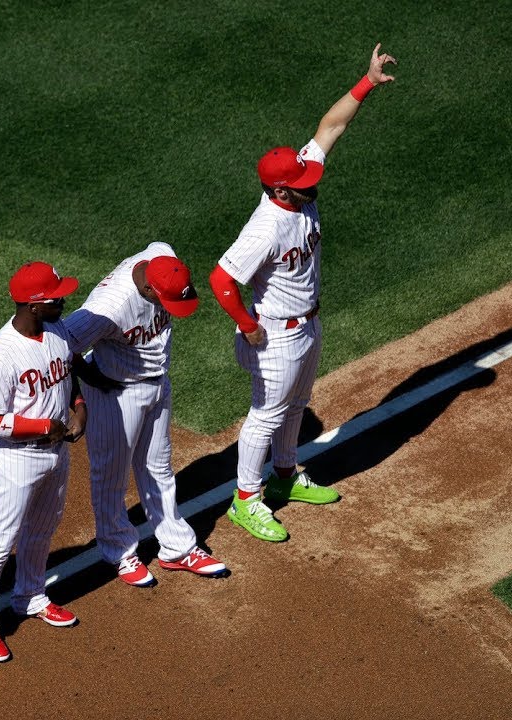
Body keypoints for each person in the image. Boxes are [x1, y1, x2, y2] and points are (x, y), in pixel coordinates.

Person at [209, 43, 398, 542]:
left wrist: (366, 81)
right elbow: (221, 279)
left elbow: (329, 127)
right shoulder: (266, 227)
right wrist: (248, 327)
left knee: (296, 406)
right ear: (280, 190)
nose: (313, 184)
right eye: (302, 184)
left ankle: (286, 476)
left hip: (308, 322)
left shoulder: (296, 180)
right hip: (273, 333)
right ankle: (245, 500)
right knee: (266, 413)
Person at [65, 242, 229, 588]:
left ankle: (177, 548)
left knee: (159, 467)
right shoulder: (108, 308)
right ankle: (118, 551)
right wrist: (87, 383)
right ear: (146, 288)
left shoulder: (161, 255)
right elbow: (58, 346)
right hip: (115, 393)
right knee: (111, 475)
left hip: (157, 384)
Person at [0, 261, 88, 663]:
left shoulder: (55, 330)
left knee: (42, 529)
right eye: (56, 296)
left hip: (56, 454)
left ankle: (31, 596)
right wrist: (42, 427)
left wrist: (80, 407)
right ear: (34, 305)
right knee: (0, 542)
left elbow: (70, 375)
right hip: (16, 461)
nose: (64, 298)